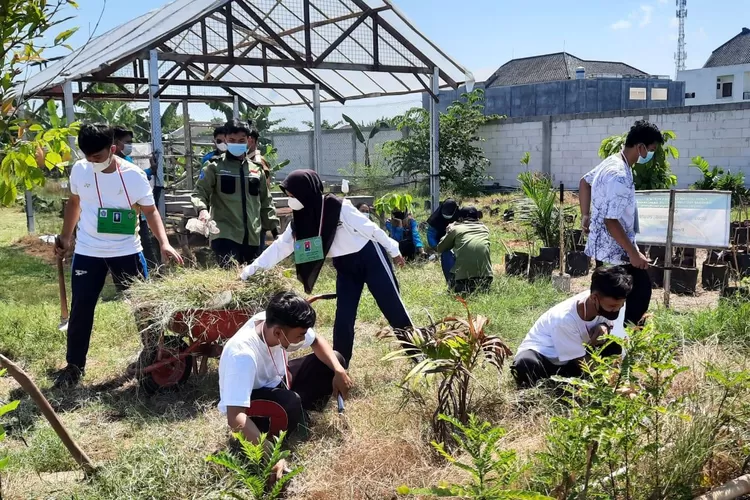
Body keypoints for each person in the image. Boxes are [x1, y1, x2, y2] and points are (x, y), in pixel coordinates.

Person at [53, 124, 183, 388]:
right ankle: (74, 367)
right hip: (89, 252)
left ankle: (154, 359)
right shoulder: (80, 169)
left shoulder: (134, 176)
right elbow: (75, 203)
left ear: (112, 149)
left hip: (126, 252)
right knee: (81, 309)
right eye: (87, 156)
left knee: (143, 308)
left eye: (98, 157)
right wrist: (66, 237)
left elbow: (150, 211)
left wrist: (164, 243)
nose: (92, 162)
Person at [240, 170, 411, 363]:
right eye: (289, 197)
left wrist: (394, 251)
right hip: (345, 266)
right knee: (344, 317)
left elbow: (371, 229)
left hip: (370, 258)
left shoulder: (338, 207)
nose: (291, 201)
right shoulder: (299, 220)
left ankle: (419, 355)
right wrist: (249, 272)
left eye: (293, 196)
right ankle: (339, 365)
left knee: (393, 308)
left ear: (307, 192)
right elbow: (279, 249)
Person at [219, 291, 352, 478]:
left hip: (280, 381)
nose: (302, 339)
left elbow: (317, 340)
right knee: (290, 402)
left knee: (333, 360)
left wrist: (339, 370)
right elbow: (235, 417)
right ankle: (269, 432)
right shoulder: (242, 355)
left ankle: (297, 411)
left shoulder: (277, 327)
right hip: (252, 403)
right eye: (299, 335)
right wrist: (270, 455)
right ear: (278, 333)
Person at [579, 120, 663, 327]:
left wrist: (585, 215)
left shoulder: (611, 162)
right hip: (615, 254)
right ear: (640, 147)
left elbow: (584, 182)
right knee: (632, 297)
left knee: (610, 299)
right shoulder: (620, 176)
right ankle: (616, 341)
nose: (650, 155)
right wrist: (633, 253)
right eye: (651, 150)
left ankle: (610, 337)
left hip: (605, 249)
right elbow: (611, 221)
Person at [511, 266, 632, 388]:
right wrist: (610, 379)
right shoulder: (564, 319)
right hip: (546, 356)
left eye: (620, 306)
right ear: (594, 298)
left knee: (613, 347)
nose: (616, 310)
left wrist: (605, 325)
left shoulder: (613, 300)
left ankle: (568, 381)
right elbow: (582, 362)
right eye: (612, 307)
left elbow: (613, 328)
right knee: (525, 364)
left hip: (573, 356)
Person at [192, 120, 279, 267]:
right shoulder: (214, 167)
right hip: (225, 235)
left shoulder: (256, 170)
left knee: (253, 280)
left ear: (248, 141)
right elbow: (199, 192)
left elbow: (266, 202)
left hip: (253, 236)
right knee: (231, 278)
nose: (236, 143)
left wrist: (276, 232)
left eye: (241, 140)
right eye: (232, 140)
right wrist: (202, 210)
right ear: (225, 139)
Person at [114, 125, 159, 270]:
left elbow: (137, 176)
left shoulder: (127, 159)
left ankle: (150, 271)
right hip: (120, 212)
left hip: (135, 211)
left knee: (143, 242)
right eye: (126, 142)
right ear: (115, 142)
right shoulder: (109, 163)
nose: (129, 145)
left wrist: (150, 170)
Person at [437, 206, 492, 294]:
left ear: (461, 218)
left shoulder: (456, 229)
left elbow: (440, 248)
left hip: (463, 282)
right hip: (486, 280)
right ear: (477, 217)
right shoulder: (485, 229)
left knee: (446, 253)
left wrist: (448, 231)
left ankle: (451, 286)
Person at [426, 199, 459, 285]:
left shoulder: (460, 216)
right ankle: (451, 282)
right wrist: (436, 247)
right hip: (440, 244)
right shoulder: (435, 218)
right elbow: (431, 234)